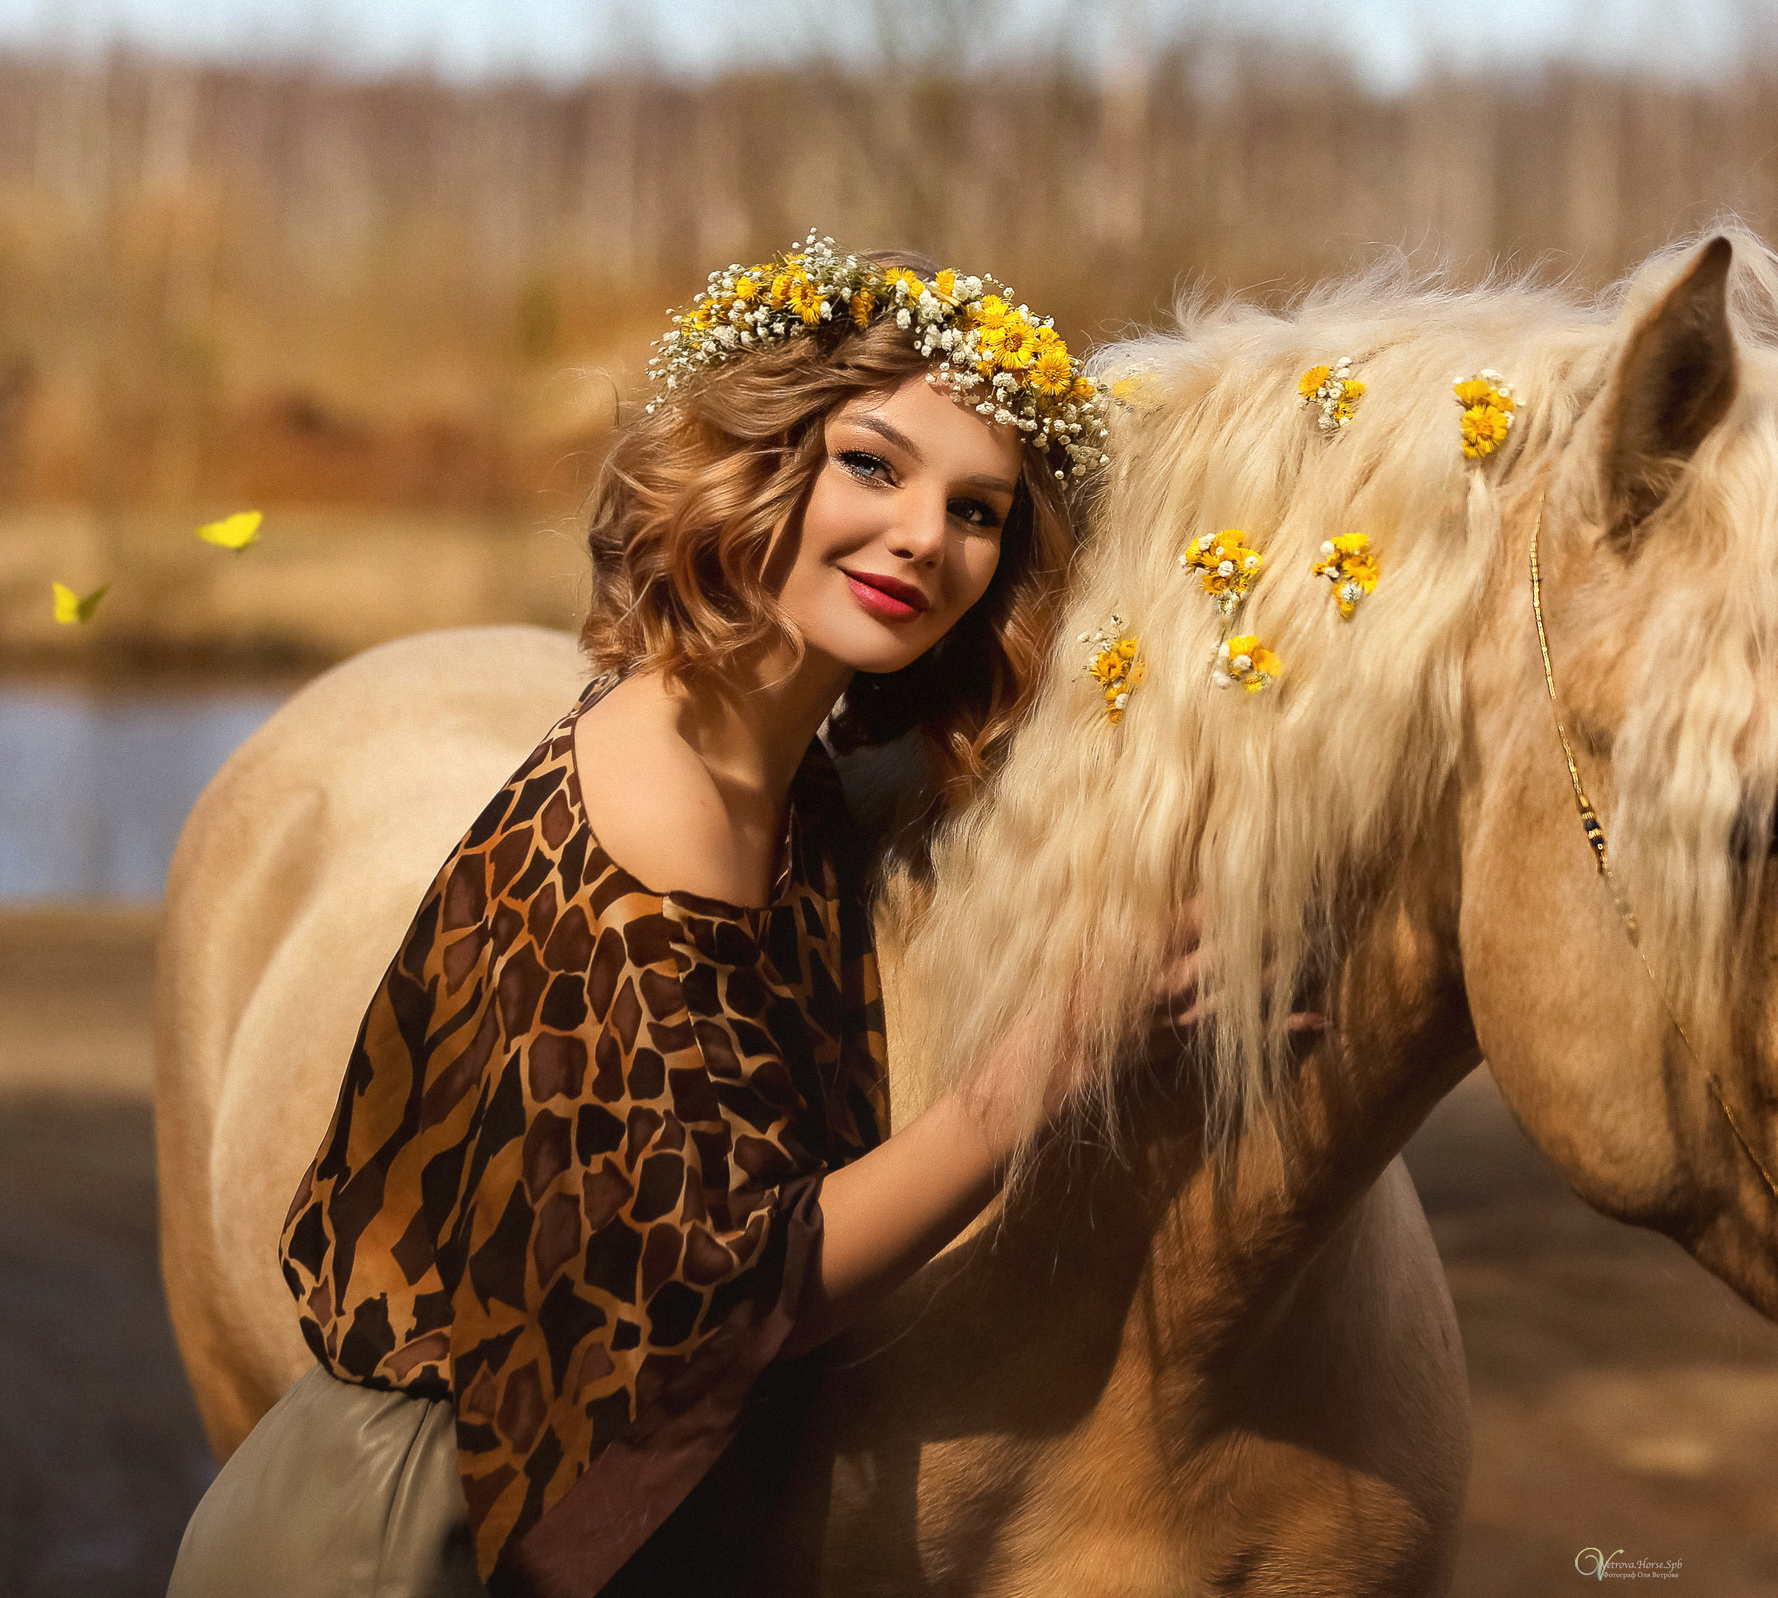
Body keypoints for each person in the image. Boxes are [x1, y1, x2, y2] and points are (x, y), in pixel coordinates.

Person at [167, 237, 1130, 1597]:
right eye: (871, 463)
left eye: (979, 511)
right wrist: (1047, 1068)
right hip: (415, 1542)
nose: (925, 534)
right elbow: (725, 1289)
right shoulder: (663, 800)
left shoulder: (767, 768)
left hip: (556, 1503)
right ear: (756, 461)